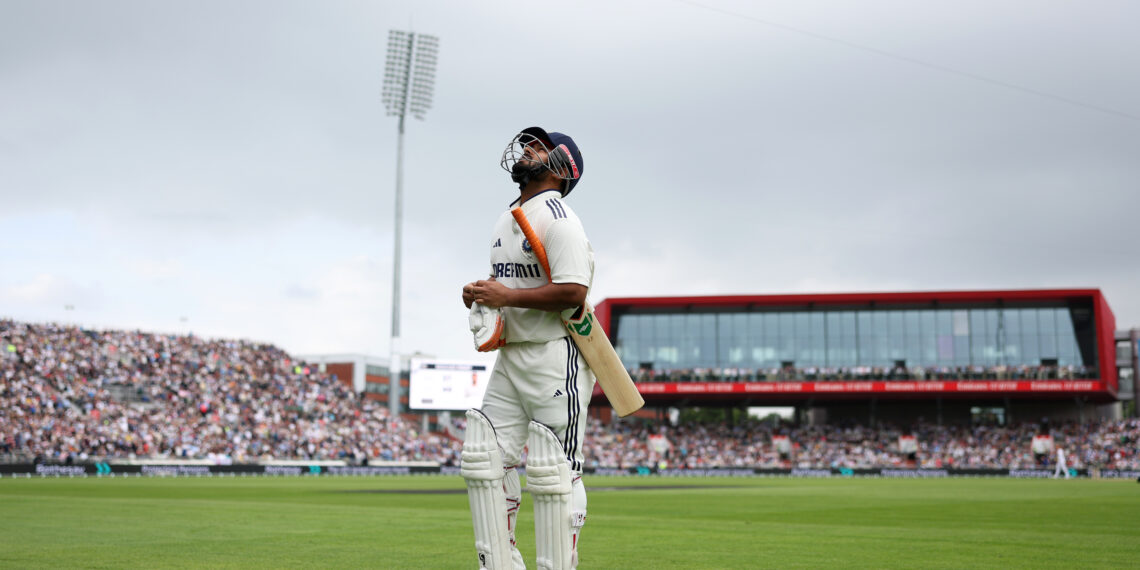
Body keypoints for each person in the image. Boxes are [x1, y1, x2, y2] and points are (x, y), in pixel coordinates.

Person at [460, 126, 595, 569]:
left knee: (555, 473)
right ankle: (500, 563)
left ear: (562, 167)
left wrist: (507, 297)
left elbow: (573, 291)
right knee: (485, 461)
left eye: (538, 147)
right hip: (511, 355)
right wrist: (483, 293)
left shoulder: (558, 217)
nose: (526, 150)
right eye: (528, 144)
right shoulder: (508, 217)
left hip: (554, 355)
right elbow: (514, 285)